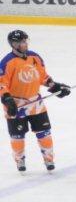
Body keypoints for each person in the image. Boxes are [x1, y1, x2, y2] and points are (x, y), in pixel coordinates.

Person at [1, 30, 71, 173]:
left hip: (35, 103)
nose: (24, 44)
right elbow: (2, 84)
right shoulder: (7, 62)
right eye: (21, 42)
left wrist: (55, 86)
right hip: (15, 104)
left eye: (25, 41)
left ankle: (49, 159)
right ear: (14, 44)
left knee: (44, 133)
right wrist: (7, 100)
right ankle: (20, 159)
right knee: (17, 136)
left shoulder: (34, 57)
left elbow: (42, 77)